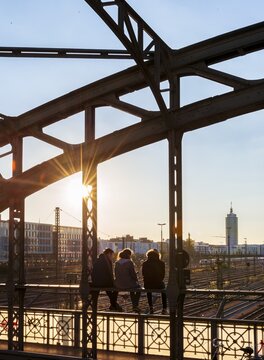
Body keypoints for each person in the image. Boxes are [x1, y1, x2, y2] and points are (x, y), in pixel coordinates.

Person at [114, 248, 141, 313]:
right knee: (138, 288)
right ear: (129, 255)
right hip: (128, 284)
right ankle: (135, 305)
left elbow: (116, 274)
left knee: (132, 285)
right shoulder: (129, 262)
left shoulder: (117, 263)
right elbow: (133, 274)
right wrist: (136, 279)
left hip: (118, 284)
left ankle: (113, 303)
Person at [142, 249, 167, 314]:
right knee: (164, 291)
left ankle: (151, 307)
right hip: (158, 284)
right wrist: (158, 280)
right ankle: (164, 308)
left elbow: (143, 274)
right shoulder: (161, 263)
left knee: (148, 291)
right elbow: (163, 275)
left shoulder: (145, 263)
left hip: (148, 284)